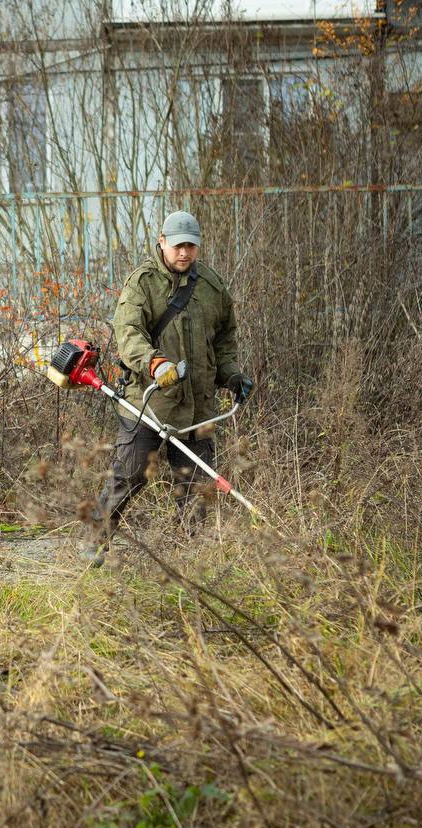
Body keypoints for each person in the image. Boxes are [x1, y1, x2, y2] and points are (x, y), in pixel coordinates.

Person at [82, 211, 254, 566]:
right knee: (127, 476)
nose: (184, 253)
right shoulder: (142, 283)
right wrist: (154, 362)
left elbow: (224, 340)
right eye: (178, 246)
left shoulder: (212, 286)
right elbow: (128, 335)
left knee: (197, 488)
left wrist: (232, 375)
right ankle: (95, 544)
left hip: (198, 408)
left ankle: (190, 562)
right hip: (148, 405)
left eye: (191, 246)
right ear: (162, 241)